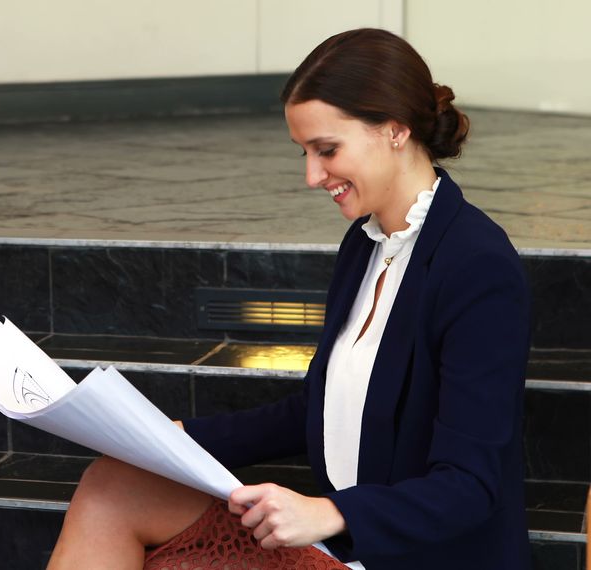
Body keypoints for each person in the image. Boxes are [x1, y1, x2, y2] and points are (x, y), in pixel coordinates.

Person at [47, 28, 531, 570]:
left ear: (395, 130)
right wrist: (174, 438)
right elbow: (318, 411)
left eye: (327, 150)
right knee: (114, 484)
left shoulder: (477, 264)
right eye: (304, 152)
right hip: (345, 542)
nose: (311, 175)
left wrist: (330, 512)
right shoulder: (365, 244)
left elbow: (469, 486)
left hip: (413, 555)